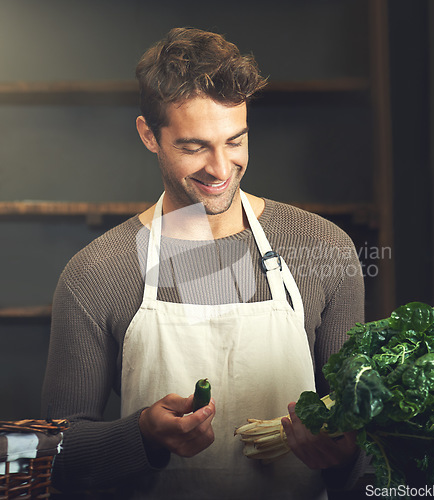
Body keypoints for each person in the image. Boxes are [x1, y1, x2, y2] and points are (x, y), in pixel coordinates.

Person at [42, 27, 367, 499]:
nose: (219, 168)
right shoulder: (97, 272)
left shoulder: (324, 249)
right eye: (193, 147)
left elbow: (364, 446)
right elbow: (58, 455)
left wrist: (344, 459)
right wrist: (142, 437)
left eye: (235, 141)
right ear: (149, 135)